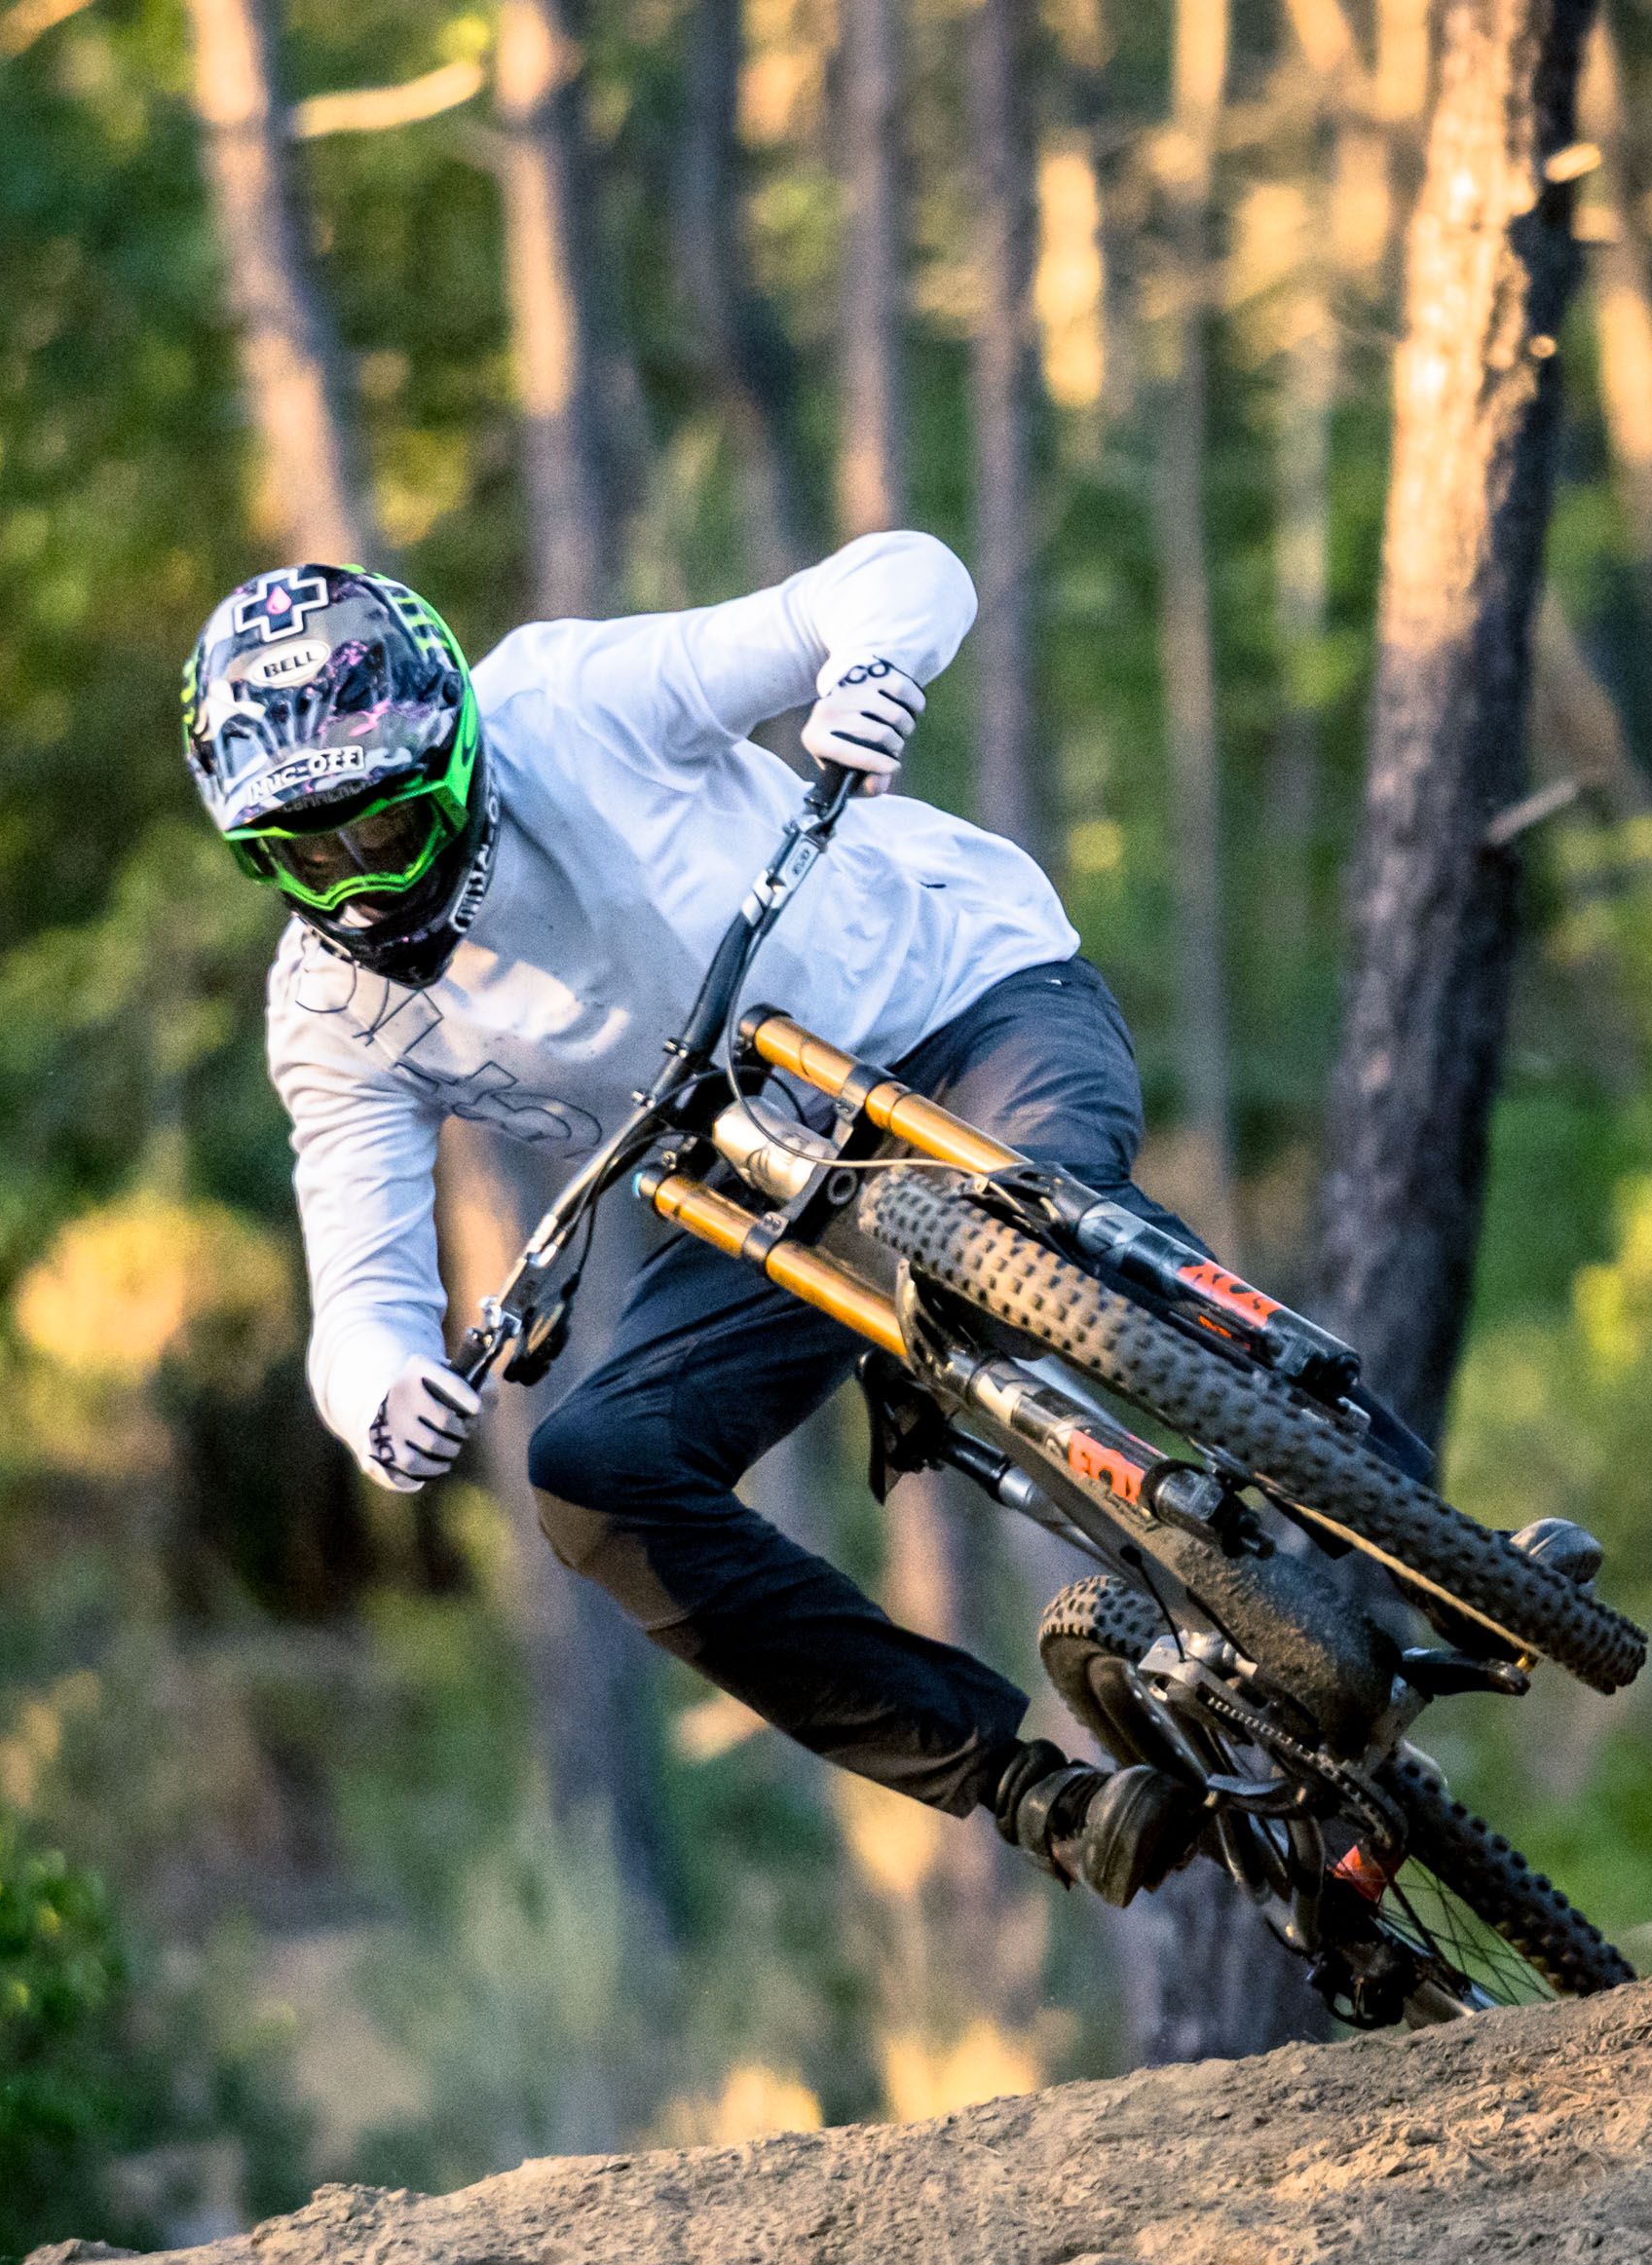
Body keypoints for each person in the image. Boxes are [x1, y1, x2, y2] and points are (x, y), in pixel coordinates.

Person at [182, 536, 1210, 1903]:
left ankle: (1381, 1512)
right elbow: (360, 1281)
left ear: (454, 761)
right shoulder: (328, 1014)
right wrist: (379, 1394)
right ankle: (1033, 1794)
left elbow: (901, 576)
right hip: (779, 1177)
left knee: (1033, 1231)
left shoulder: (566, 705)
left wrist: (871, 674)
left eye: (385, 821)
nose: (360, 876)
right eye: (306, 851)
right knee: (595, 1478)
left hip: (961, 1006)